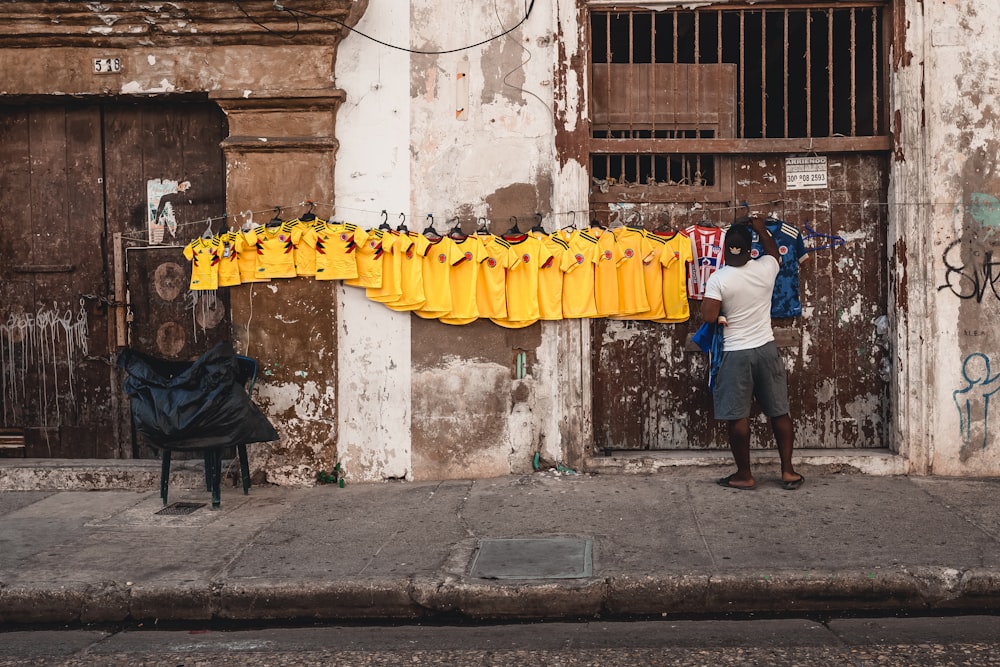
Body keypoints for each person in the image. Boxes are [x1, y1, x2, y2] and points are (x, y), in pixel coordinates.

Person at [701, 214, 805, 491]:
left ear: (725, 249)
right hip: (766, 349)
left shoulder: (718, 278)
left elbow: (709, 317)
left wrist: (722, 315)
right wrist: (760, 228)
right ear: (750, 250)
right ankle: (788, 471)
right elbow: (773, 251)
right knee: (779, 412)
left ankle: (744, 475)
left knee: (738, 416)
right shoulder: (766, 268)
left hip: (736, 353)